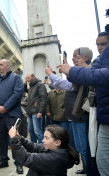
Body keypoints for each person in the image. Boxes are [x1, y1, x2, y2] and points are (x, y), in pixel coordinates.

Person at [58, 24, 109, 176]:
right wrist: (72, 71)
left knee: (88, 151)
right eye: (98, 44)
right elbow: (85, 77)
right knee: (96, 157)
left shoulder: (92, 64)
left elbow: (91, 78)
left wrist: (72, 70)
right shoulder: (100, 60)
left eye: (103, 44)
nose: (100, 47)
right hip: (101, 118)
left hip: (85, 117)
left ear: (85, 57)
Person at [46, 47, 94, 175]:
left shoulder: (85, 72)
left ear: (86, 58)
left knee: (84, 148)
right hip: (73, 117)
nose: (73, 60)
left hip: (80, 117)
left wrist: (51, 75)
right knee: (79, 147)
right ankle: (86, 168)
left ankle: (90, 171)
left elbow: (68, 86)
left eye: (76, 57)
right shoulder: (79, 73)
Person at [0, 59, 24, 174]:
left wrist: (5, 107)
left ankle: (18, 163)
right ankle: (3, 160)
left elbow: (17, 94)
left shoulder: (16, 78)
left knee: (14, 139)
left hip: (12, 114)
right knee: (2, 139)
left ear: (8, 66)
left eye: (1, 65)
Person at [9, 125, 79, 176]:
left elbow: (26, 159)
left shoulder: (54, 158)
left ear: (57, 142)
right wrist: (20, 138)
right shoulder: (54, 149)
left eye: (46, 138)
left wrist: (13, 139)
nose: (43, 140)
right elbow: (34, 147)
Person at [24, 73, 47, 144]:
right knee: (30, 130)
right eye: (26, 78)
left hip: (36, 112)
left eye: (28, 78)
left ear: (33, 77)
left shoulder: (40, 85)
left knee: (37, 131)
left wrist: (40, 111)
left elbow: (44, 98)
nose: (27, 79)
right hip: (30, 112)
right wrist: (25, 83)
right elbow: (25, 91)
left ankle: (42, 148)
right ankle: (33, 147)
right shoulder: (31, 86)